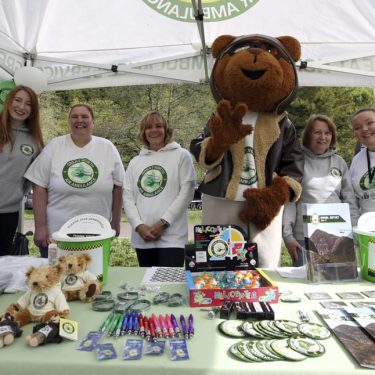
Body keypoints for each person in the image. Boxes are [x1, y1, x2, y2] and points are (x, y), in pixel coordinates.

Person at [24, 104, 125, 258]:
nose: (79, 120)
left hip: (97, 235)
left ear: (93, 121)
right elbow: (39, 186)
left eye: (85, 116)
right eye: (74, 116)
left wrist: (116, 222)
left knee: (93, 279)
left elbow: (119, 187)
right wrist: (40, 227)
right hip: (57, 235)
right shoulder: (55, 146)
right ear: (69, 121)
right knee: (56, 279)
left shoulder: (107, 148)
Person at [282, 114, 359, 266]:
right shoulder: (296, 161)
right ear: (308, 135)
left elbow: (350, 200)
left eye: (327, 133)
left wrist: (354, 232)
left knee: (339, 284)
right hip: (304, 239)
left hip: (338, 237)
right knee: (305, 286)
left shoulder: (339, 162)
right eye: (317, 132)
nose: (323, 137)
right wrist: (288, 236)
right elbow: (289, 201)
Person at [123, 111, 196, 267]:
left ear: (166, 130)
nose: (153, 130)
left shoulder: (181, 156)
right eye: (148, 127)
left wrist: (164, 222)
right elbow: (127, 197)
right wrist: (138, 225)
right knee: (149, 288)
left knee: (168, 287)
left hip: (172, 239)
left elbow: (187, 192)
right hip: (143, 238)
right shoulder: (135, 162)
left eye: (158, 126)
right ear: (143, 132)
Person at [0, 85, 44, 256]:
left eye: (28, 104)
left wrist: (18, 193)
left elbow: (36, 178)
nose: (21, 107)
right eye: (17, 100)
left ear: (33, 111)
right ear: (9, 101)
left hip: (8, 213)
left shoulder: (35, 141)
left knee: (1, 265)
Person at [350, 108, 375, 214]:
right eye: (357, 128)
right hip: (365, 226)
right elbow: (353, 198)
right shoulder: (356, 160)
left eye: (370, 123)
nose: (364, 129)